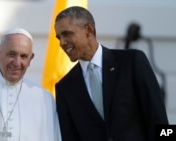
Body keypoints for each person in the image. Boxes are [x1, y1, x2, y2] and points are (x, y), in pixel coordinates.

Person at [54, 6, 168, 141]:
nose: (62, 43)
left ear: (89, 30)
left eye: (67, 34)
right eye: (59, 37)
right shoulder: (65, 87)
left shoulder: (132, 61)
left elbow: (159, 119)